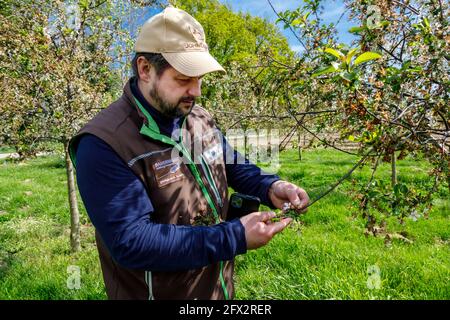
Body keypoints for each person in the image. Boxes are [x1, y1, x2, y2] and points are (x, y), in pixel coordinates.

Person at [69, 6, 309, 300]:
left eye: (200, 78)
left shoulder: (198, 117)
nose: (196, 91)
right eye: (184, 79)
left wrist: (270, 187)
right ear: (145, 69)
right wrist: (233, 237)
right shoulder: (103, 144)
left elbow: (229, 163)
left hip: (214, 289)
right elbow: (132, 241)